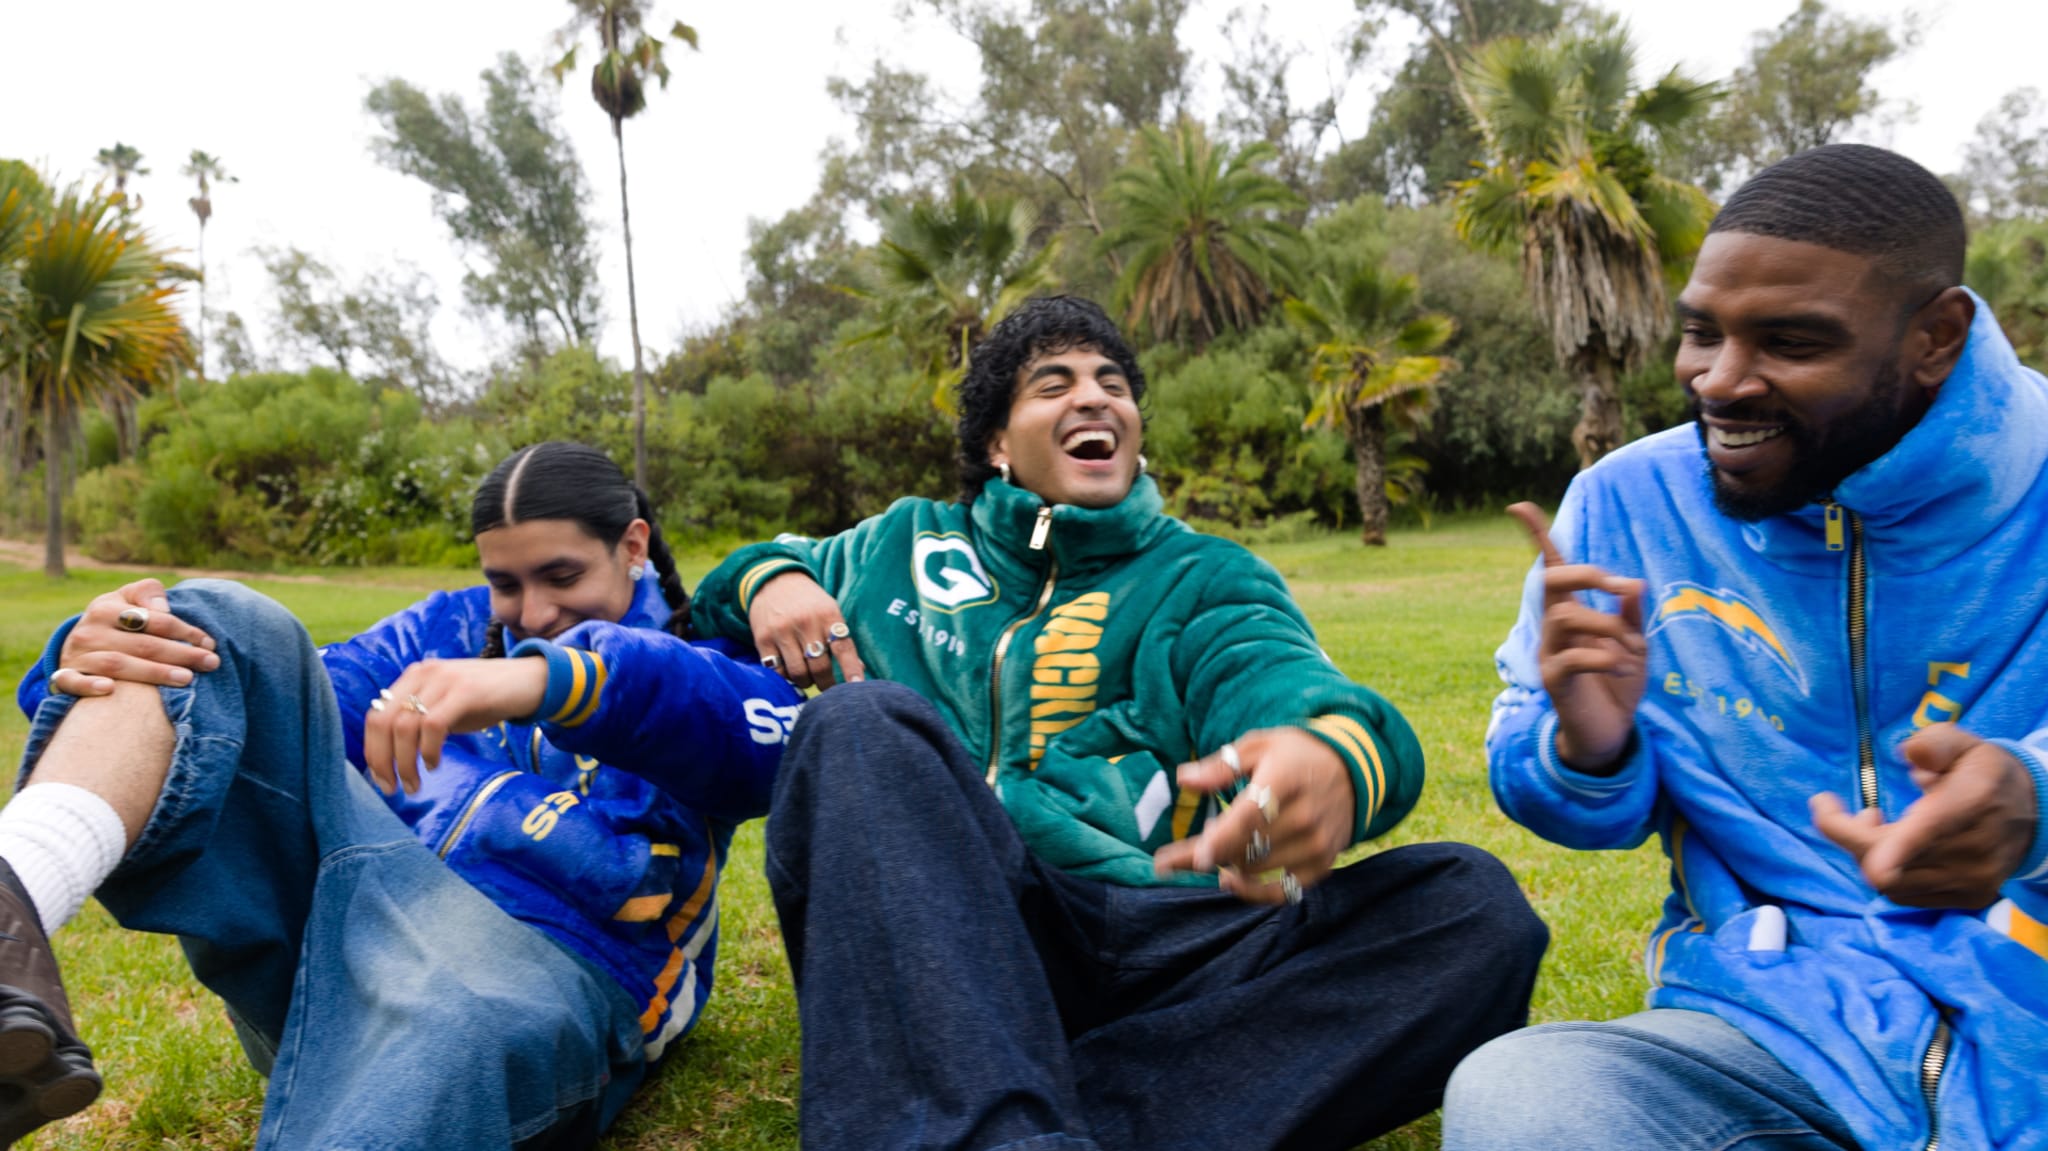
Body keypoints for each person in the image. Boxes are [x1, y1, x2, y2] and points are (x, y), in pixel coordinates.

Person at [689, 295, 1549, 1151]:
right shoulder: (900, 547)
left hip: (1184, 940)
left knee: (1472, 912)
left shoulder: (1203, 573)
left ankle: (1017, 1111)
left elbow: (1277, 674)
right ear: (997, 442)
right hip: (963, 930)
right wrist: (770, 576)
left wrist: (1324, 750)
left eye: (1112, 383)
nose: (1094, 397)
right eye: (1052, 384)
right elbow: (724, 588)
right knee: (858, 723)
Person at [1445, 144, 2048, 1151]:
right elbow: (1554, 797)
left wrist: (2031, 796)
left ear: (1933, 335)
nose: (1717, 381)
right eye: (1698, 332)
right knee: (1523, 1091)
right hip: (1768, 1029)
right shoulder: (1625, 502)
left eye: (1789, 341)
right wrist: (1584, 747)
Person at [0, 441, 803, 1148]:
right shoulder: (440, 632)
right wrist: (97, 644)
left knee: (450, 1020)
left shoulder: (703, 656)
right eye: (505, 583)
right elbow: (285, 688)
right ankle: (14, 901)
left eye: (563, 575)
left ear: (632, 544)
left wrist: (545, 679)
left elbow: (764, 748)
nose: (535, 612)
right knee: (210, 627)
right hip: (349, 938)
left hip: (544, 976)